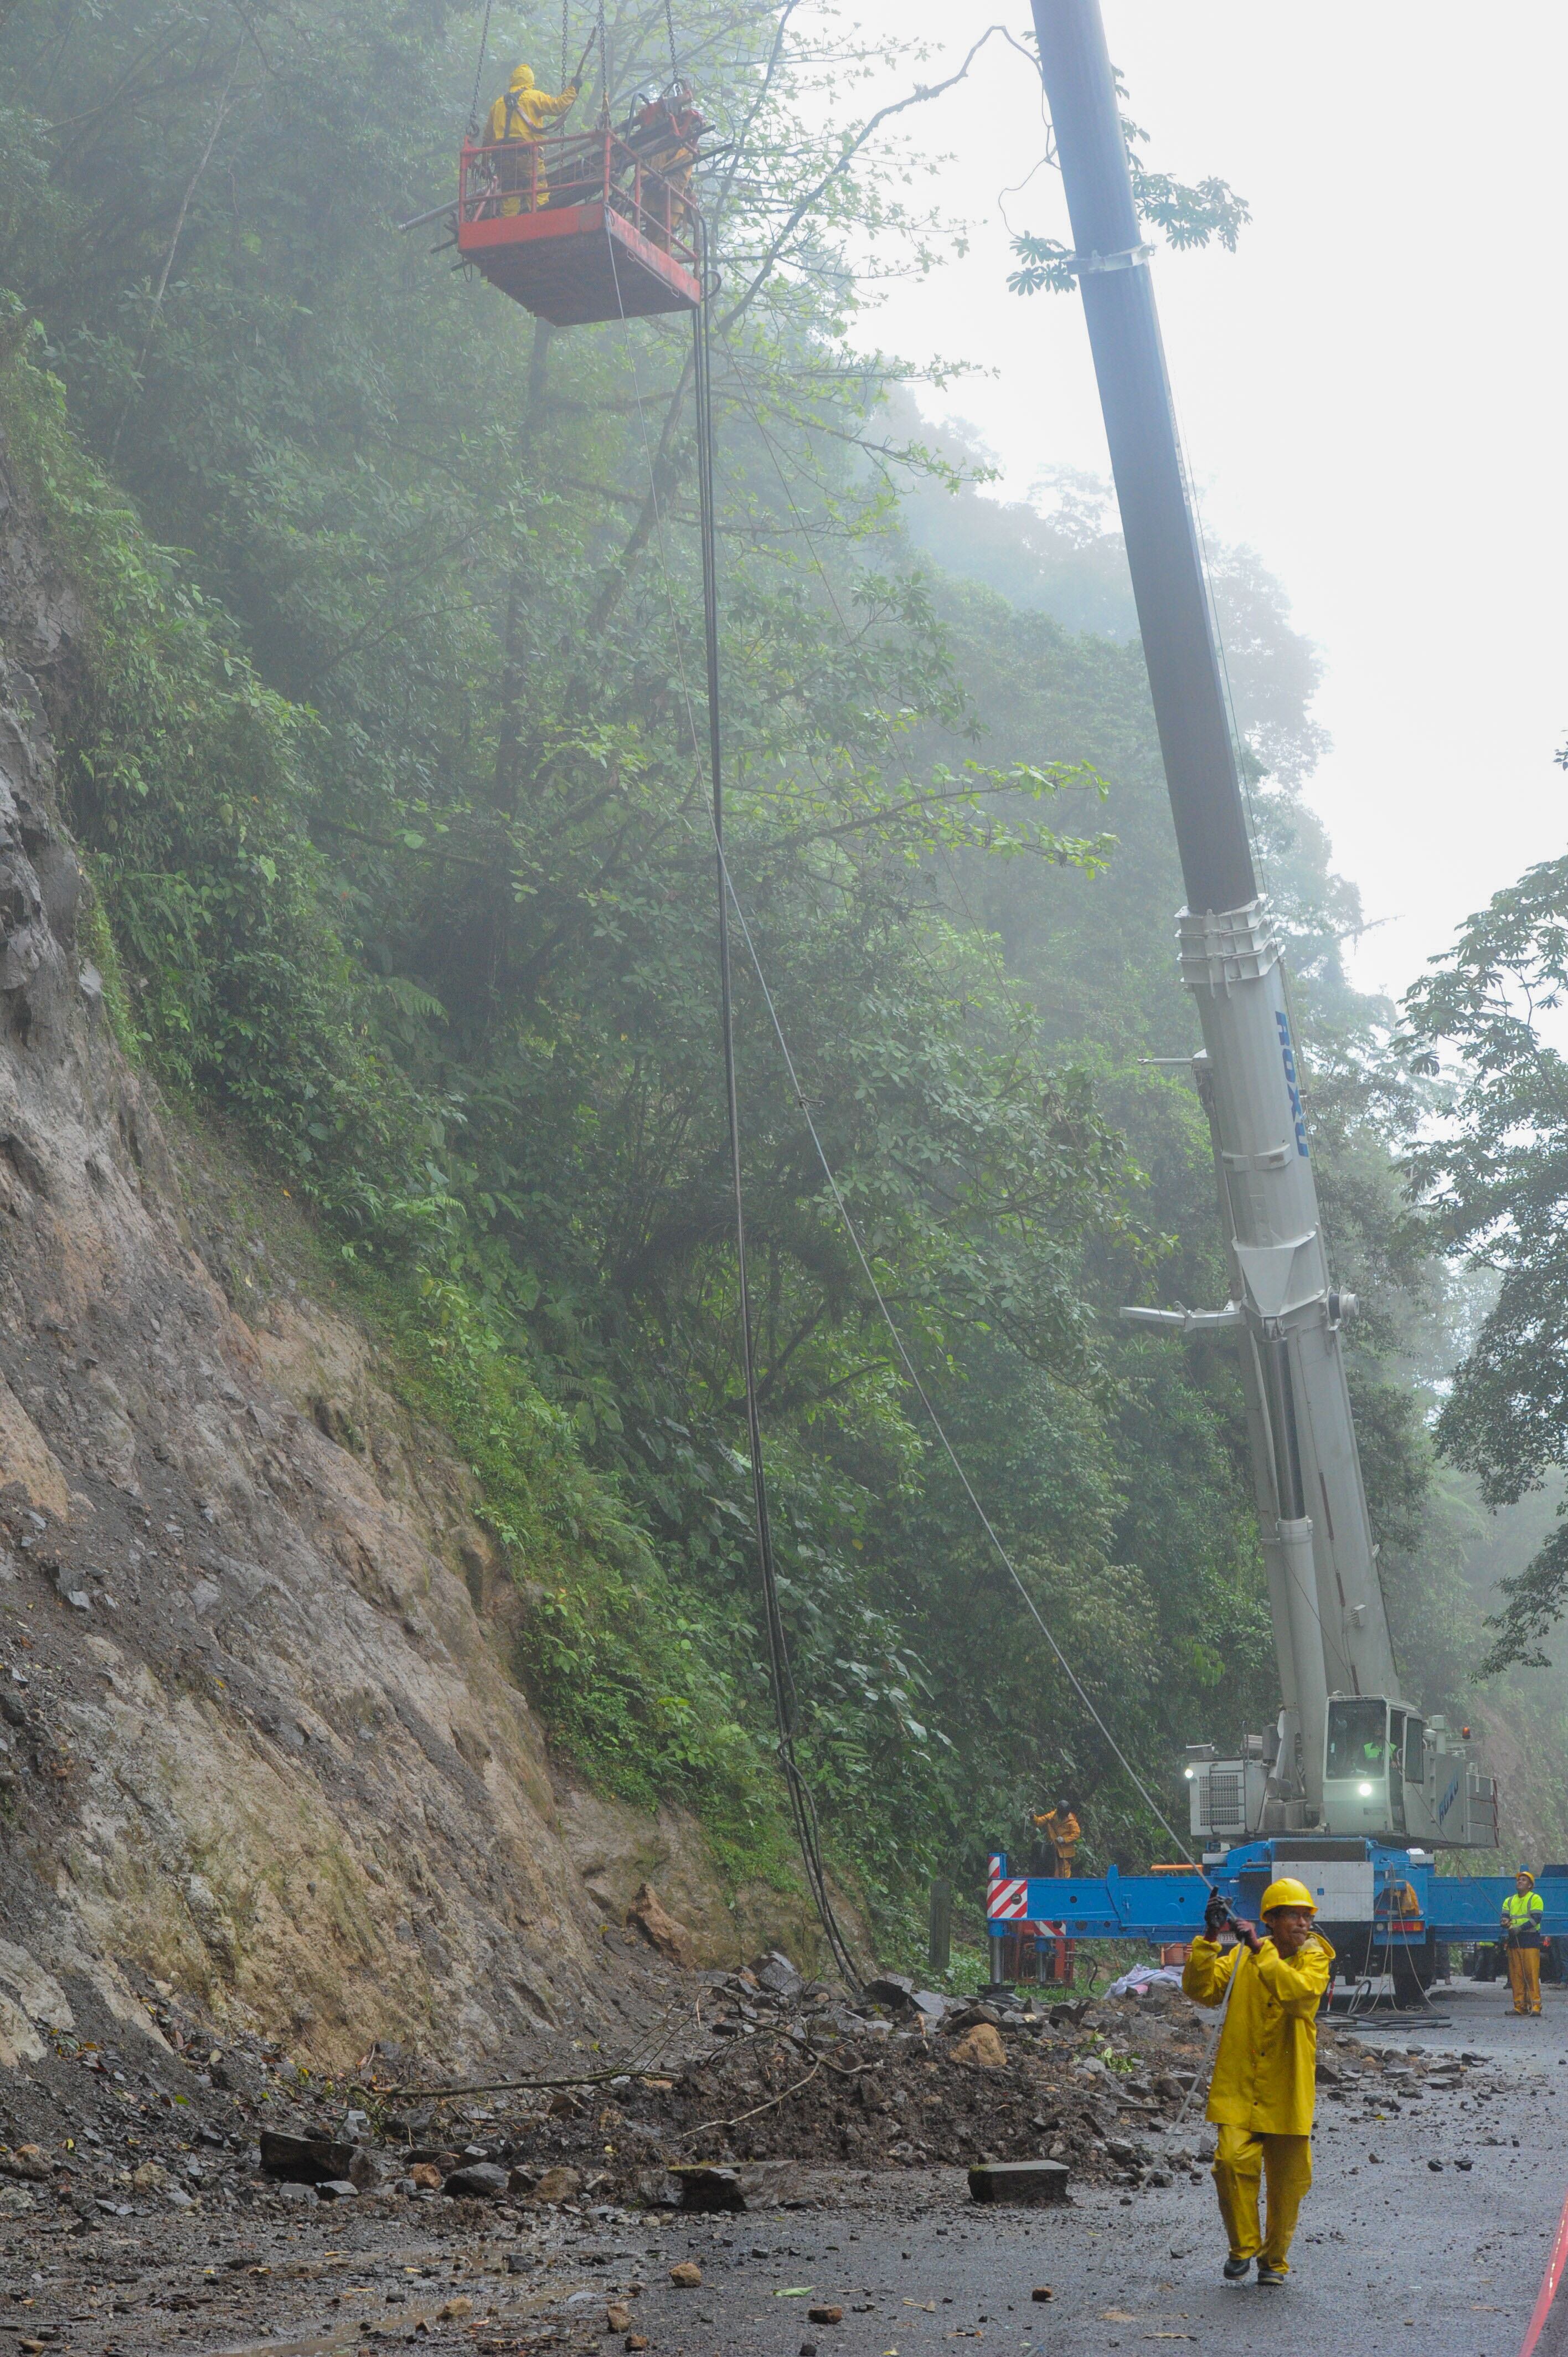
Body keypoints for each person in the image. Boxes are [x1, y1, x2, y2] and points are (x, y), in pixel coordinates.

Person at [1182, 1876, 1335, 2287]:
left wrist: (1258, 1949)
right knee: (1231, 2163)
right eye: (1294, 1916)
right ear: (1271, 1920)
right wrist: (1210, 1936)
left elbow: (1300, 1996)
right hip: (1240, 2084)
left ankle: (1274, 2260)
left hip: (1288, 2087)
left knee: (1289, 2182)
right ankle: (1242, 2248)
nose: (1303, 1924)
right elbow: (1202, 1990)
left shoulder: (1315, 1959)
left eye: (1307, 1916)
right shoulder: (1240, 1958)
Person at [485, 64, 579, 215]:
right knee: (538, 193)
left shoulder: (498, 104)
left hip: (503, 159)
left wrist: (484, 160)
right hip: (528, 156)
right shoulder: (533, 96)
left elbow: (488, 137)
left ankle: (509, 233)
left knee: (509, 198)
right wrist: (573, 89)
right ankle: (542, 225)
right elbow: (558, 107)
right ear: (530, 81)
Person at [1502, 1867, 1545, 2016]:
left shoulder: (1535, 1899)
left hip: (1530, 1941)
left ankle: (1535, 2006)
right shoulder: (1509, 1900)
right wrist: (1505, 1922)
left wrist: (1519, 1928)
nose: (1520, 1881)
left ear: (1530, 1885)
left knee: (1531, 1974)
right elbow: (1505, 1916)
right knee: (1516, 1975)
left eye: (1524, 1880)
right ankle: (1520, 2006)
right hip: (1515, 1942)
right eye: (1519, 1879)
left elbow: (1536, 1919)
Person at [1034, 1799, 1081, 1877]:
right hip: (1053, 1848)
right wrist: (1033, 1816)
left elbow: (1077, 1834)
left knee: (1065, 1871)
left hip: (1065, 1850)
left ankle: (1065, 1886)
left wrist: (1065, 1840)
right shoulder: (1052, 1816)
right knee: (1053, 1869)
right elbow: (1039, 1822)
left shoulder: (1072, 1822)